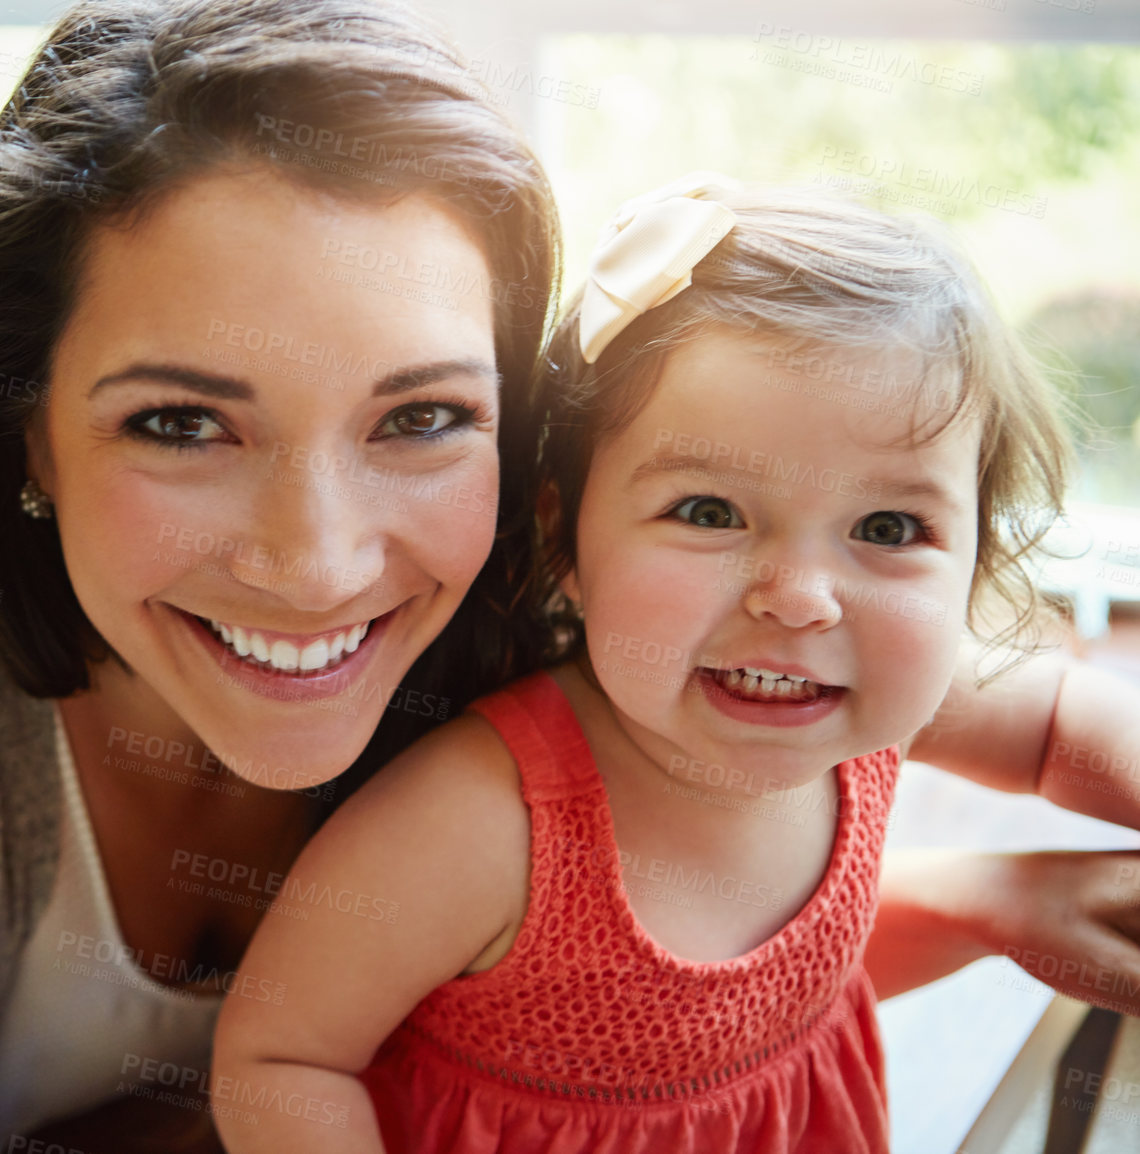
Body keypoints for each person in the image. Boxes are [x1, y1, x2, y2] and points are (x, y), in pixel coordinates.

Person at [0, 2, 1140, 1148]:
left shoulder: (614, 580)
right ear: (25, 430)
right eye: (181, 422)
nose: (317, 562)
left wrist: (987, 900)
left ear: (529, 439)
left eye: (421, 415)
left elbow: (635, 1020)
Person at [211, 176, 1140, 1153]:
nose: (799, 596)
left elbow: (1060, 723)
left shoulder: (874, 696)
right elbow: (282, 1058)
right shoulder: (485, 820)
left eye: (887, 526)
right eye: (708, 512)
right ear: (563, 540)